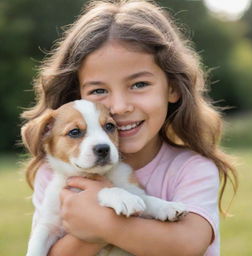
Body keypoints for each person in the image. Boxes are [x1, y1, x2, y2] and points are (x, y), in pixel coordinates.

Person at [21, 0, 238, 255]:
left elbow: (189, 244)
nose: (120, 106)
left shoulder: (192, 169)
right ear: (77, 96)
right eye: (99, 90)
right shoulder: (54, 173)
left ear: (173, 88)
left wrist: (103, 222)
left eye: (139, 84)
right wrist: (100, 219)